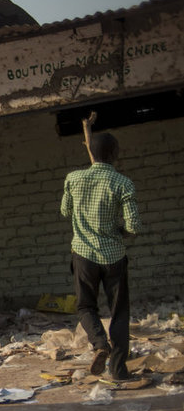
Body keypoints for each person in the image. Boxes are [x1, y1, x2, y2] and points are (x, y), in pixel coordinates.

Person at [60, 112, 142, 380]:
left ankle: (99, 344)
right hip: (114, 257)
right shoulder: (123, 183)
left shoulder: (73, 179)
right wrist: (119, 230)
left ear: (90, 153)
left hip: (83, 255)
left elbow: (65, 211)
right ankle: (118, 370)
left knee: (85, 307)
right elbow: (133, 226)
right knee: (119, 311)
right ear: (115, 154)